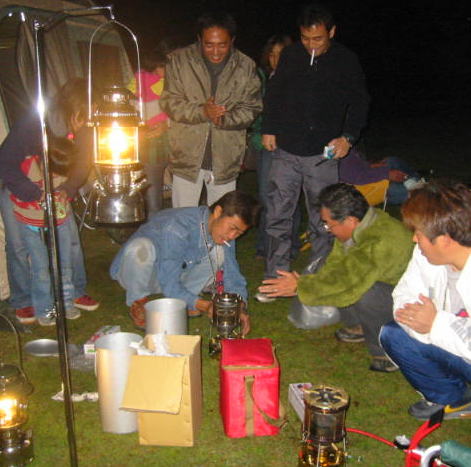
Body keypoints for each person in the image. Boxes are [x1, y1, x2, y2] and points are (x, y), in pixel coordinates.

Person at [256, 3, 369, 301]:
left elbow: (360, 102)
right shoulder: (291, 55)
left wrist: (348, 137)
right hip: (286, 150)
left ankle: (317, 282)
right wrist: (269, 127)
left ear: (331, 32)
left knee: (323, 220)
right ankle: (275, 279)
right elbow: (275, 93)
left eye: (317, 38)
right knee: (277, 215)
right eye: (306, 38)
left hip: (323, 154)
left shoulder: (346, 60)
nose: (311, 45)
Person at [259, 183, 413, 372]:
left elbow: (347, 285)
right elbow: (335, 267)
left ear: (350, 220)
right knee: (328, 269)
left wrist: (301, 286)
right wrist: (309, 283)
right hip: (379, 284)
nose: (327, 229)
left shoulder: (379, 241)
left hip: (410, 302)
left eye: (328, 224)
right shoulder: (362, 225)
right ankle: (359, 326)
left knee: (367, 294)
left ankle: (388, 350)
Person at [0, 78, 99, 326]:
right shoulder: (34, 124)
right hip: (19, 188)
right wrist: (32, 193)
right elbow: (6, 163)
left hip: (56, 188)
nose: (87, 120)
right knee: (19, 246)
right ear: (71, 107)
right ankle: (23, 300)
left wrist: (69, 187)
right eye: (84, 113)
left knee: (71, 241)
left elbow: (83, 162)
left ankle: (74, 293)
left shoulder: (85, 128)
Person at [380, 180, 471, 420]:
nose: (414, 240)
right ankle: (451, 397)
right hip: (453, 345)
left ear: (445, 240)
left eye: (418, 234)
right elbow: (404, 294)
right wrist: (424, 326)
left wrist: (435, 324)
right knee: (393, 334)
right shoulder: (426, 255)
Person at [110, 191, 259, 334]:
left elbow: (232, 274)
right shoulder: (178, 227)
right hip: (139, 274)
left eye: (239, 233)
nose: (232, 236)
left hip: (173, 274)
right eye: (232, 228)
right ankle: (138, 301)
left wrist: (239, 306)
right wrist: (206, 305)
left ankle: (184, 301)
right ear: (218, 212)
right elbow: (169, 283)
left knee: (218, 254)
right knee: (141, 248)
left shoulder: (224, 234)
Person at [160, 11, 262, 208]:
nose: (216, 52)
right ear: (199, 39)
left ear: (232, 40)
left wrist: (224, 119)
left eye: (222, 45)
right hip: (186, 156)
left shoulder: (246, 66)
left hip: (226, 158)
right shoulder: (179, 61)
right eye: (209, 45)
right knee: (183, 217)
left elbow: (252, 107)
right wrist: (202, 112)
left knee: (222, 218)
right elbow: (169, 102)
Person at [248, 34, 302, 261]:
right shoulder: (261, 79)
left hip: (291, 146)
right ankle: (265, 245)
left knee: (289, 196)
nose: (276, 59)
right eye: (272, 55)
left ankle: (291, 245)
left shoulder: (299, 79)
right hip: (266, 146)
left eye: (281, 54)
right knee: (266, 196)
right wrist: (259, 135)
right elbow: (254, 113)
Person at [129, 45, 172, 215]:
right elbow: (133, 108)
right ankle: (154, 224)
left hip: (175, 145)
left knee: (179, 196)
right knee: (153, 197)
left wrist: (166, 124)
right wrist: (141, 130)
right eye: (163, 67)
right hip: (152, 147)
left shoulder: (173, 82)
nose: (166, 71)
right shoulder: (139, 81)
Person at [339, 151, 421, 205]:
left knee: (392, 161)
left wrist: (370, 165)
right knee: (413, 193)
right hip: (360, 191)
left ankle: (417, 181)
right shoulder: (336, 148)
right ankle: (420, 190)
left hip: (366, 176)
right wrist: (386, 173)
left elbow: (356, 165)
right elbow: (356, 177)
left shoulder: (344, 141)